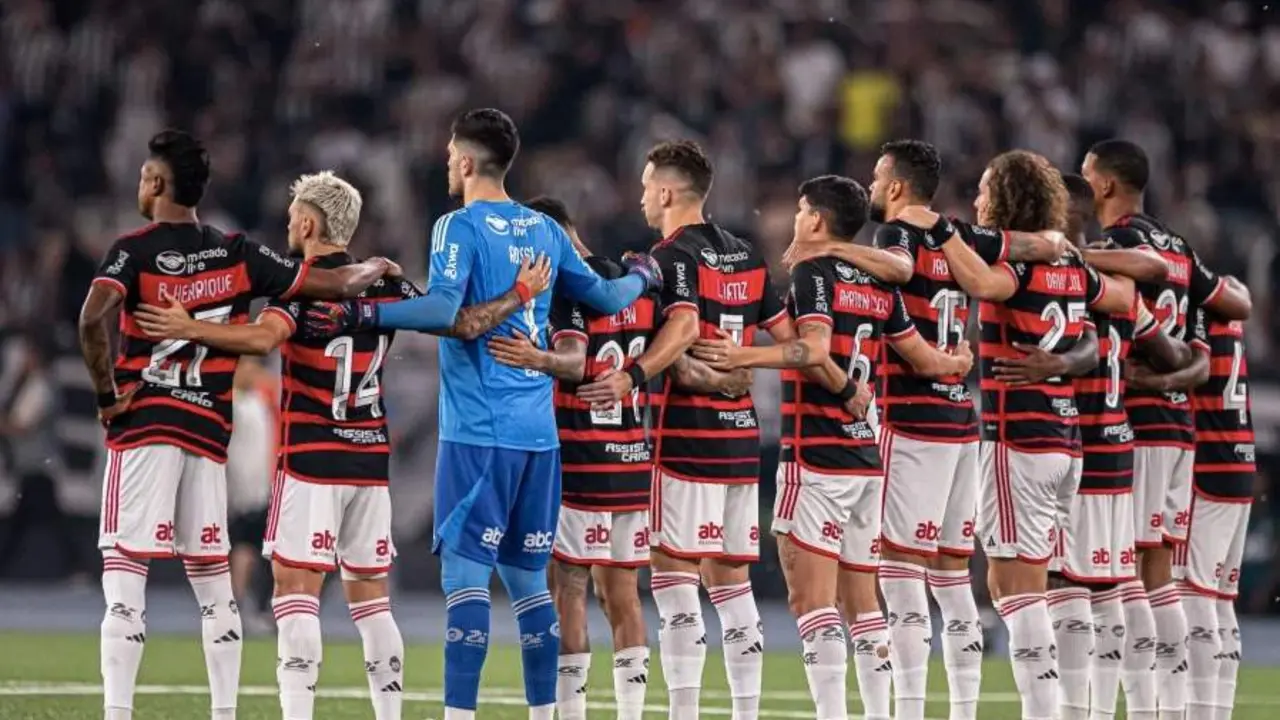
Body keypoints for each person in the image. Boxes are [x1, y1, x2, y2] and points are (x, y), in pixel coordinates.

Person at [133, 169, 547, 719]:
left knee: (294, 590)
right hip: (369, 462)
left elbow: (260, 339)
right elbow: (464, 323)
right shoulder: (389, 286)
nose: (287, 226)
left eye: (290, 218)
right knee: (371, 600)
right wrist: (520, 294)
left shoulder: (300, 284)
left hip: (311, 460)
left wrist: (188, 327)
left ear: (308, 222)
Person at [302, 109, 662, 720]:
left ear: (466, 162)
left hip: (478, 434)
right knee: (528, 583)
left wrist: (368, 314)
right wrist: (642, 275)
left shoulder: (458, 227)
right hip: (539, 439)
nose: (446, 164)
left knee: (465, 583)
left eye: (449, 155)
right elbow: (602, 298)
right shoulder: (545, 230)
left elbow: (446, 310)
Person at [78, 129, 396, 720]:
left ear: (154, 183)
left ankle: (117, 712)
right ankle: (225, 712)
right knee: (214, 584)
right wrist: (375, 264)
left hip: (146, 422)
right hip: (207, 430)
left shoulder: (133, 250)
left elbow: (92, 317)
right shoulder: (238, 253)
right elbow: (330, 280)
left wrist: (106, 394)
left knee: (125, 575)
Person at [784, 140, 1064, 720]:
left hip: (911, 423)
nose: (871, 185)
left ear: (894, 187)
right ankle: (962, 709)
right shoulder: (959, 235)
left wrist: (828, 246)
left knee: (900, 573)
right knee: (953, 576)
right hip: (963, 418)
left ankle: (907, 710)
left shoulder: (894, 238)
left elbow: (901, 270)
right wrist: (1053, 242)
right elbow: (1036, 244)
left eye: (876, 175)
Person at [693, 175, 973, 720]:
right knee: (863, 606)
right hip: (867, 460)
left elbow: (811, 350)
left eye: (800, 210)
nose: (796, 219)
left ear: (817, 220)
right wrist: (958, 364)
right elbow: (925, 359)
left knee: (811, 604)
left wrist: (741, 356)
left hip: (818, 456)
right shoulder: (877, 285)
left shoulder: (812, 273)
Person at [903, 150, 1135, 720]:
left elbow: (981, 280)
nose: (979, 201)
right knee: (1054, 585)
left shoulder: (1023, 265)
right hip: (1066, 442)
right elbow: (1124, 301)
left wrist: (938, 229)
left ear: (1007, 199)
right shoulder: (1071, 265)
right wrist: (1066, 361)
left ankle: (1044, 712)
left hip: (1019, 439)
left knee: (1014, 589)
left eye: (985, 191)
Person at [488, 196, 736, 720]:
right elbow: (675, 356)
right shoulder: (636, 284)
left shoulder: (564, 290)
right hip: (631, 463)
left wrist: (535, 358)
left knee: (569, 590)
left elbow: (574, 362)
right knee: (623, 594)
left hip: (579, 464)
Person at [576, 140, 791, 720]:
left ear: (668, 192)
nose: (644, 196)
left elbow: (684, 326)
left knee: (674, 586)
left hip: (687, 440)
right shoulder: (746, 254)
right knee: (734, 587)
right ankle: (745, 712)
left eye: (648, 186)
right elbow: (791, 339)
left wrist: (636, 373)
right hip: (742, 438)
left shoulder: (670, 257)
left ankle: (684, 712)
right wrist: (742, 369)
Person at [992, 174, 1190, 719]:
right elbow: (1169, 346)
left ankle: (1080, 711)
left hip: (1067, 435)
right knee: (1121, 585)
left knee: (1064, 582)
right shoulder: (1098, 277)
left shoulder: (1050, 274)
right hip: (1117, 440)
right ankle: (1149, 711)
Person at [1081, 139, 1252, 719]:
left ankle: (1147, 707)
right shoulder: (1180, 246)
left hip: (1141, 427)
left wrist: (1072, 256)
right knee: (1162, 576)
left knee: (1125, 574)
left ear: (1105, 184)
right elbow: (1228, 303)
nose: (1083, 187)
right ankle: (1174, 711)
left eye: (1086, 177)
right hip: (1179, 427)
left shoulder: (1119, 243)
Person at [1128, 302, 1253, 719]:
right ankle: (1216, 710)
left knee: (1191, 593)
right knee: (1220, 599)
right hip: (1241, 458)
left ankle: (1192, 712)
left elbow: (1194, 372)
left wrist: (1148, 379)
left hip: (1208, 463)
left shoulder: (1194, 317)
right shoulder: (1227, 312)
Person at [224, 357, 277, 636]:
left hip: (264, 485)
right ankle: (238, 607)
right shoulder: (234, 403)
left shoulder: (258, 401)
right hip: (247, 487)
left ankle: (253, 607)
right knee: (245, 546)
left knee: (256, 549)